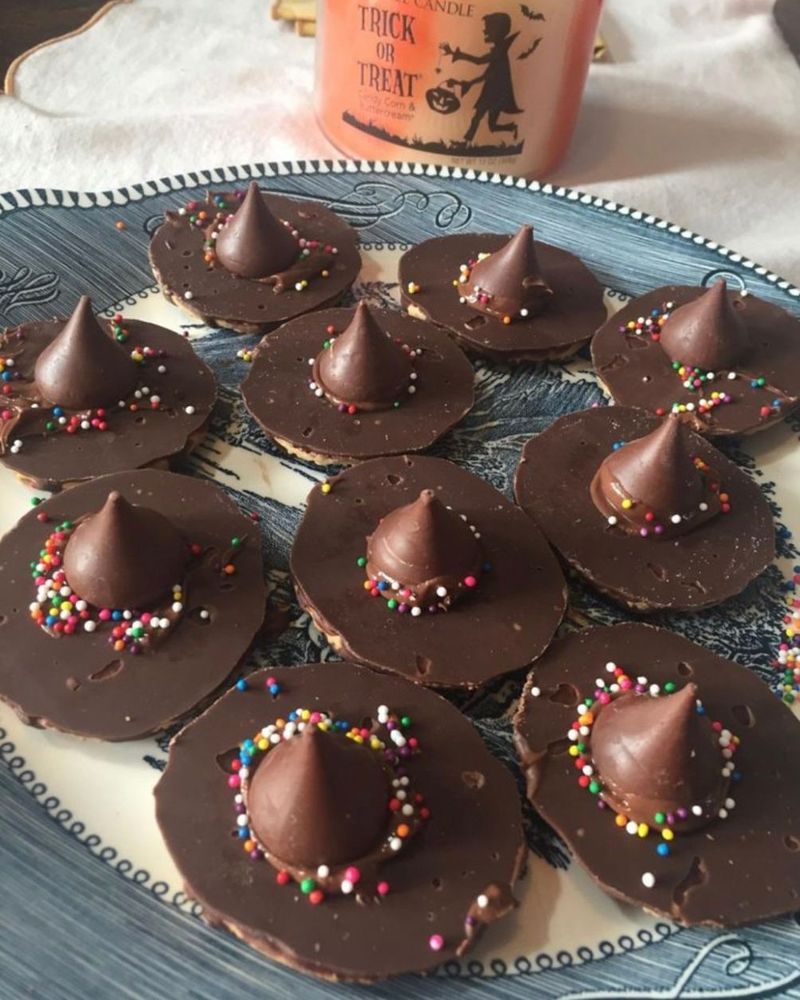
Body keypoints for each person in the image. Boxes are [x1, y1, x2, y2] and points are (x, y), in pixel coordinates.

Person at [442, 12, 522, 143]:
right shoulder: (499, 50)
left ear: (499, 31)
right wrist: (469, 82)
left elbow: (479, 61)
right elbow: (487, 74)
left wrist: (457, 54)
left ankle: (468, 143)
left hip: (496, 94)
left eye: (488, 28)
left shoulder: (499, 51)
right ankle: (467, 142)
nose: (485, 30)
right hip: (490, 90)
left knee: (487, 124)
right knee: (482, 120)